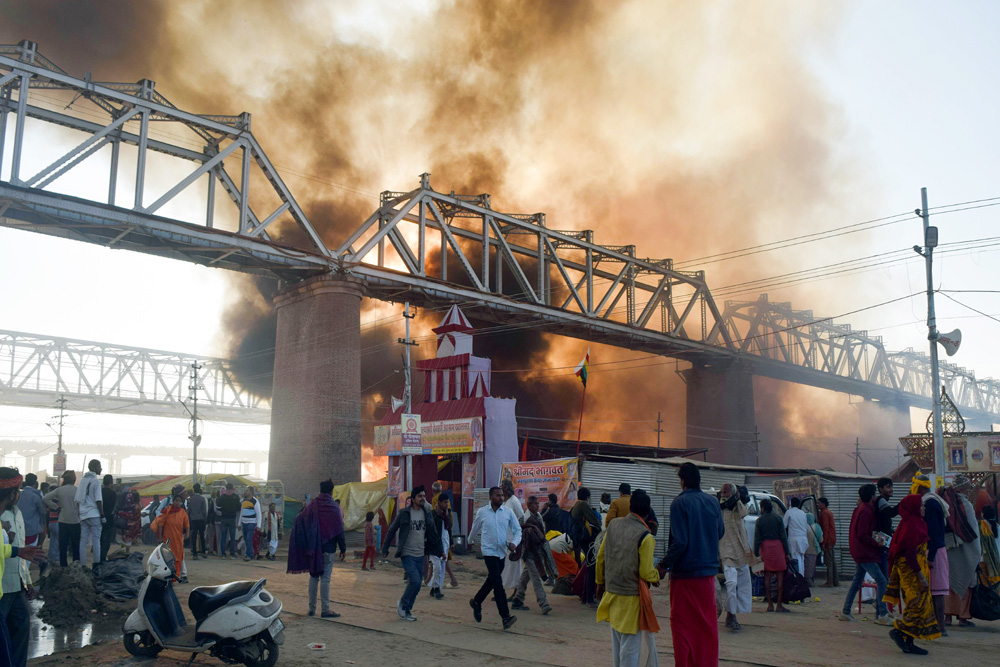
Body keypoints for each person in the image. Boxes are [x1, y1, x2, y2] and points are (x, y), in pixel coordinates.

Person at [656, 462, 724, 667]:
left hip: (685, 577)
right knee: (706, 627)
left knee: (682, 626)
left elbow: (681, 542)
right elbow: (720, 533)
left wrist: (663, 565)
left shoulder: (679, 503)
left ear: (683, 480)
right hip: (707, 576)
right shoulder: (712, 502)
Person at [596, 489, 660, 667]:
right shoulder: (645, 537)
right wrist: (657, 575)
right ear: (647, 513)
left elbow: (601, 558)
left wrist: (600, 583)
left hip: (612, 594)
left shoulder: (613, 526)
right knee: (630, 650)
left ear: (631, 508)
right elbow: (647, 573)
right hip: (632, 599)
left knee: (617, 646)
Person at [882, 494, 939, 655]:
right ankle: (899, 631)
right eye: (921, 505)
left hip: (916, 571)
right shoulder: (912, 525)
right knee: (917, 605)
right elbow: (910, 554)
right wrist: (920, 576)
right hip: (912, 574)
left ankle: (909, 642)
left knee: (917, 604)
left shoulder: (914, 523)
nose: (924, 508)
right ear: (913, 507)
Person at [0, 468, 42, 666]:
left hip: (17, 584)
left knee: (20, 631)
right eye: (18, 491)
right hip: (2, 587)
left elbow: (21, 551)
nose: (19, 495)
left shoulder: (17, 514)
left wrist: (27, 580)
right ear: (11, 494)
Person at [382, 486, 441, 622]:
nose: (422, 499)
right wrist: (385, 547)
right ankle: (402, 604)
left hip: (421, 554)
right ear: (413, 499)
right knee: (414, 580)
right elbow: (392, 530)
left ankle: (407, 610)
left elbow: (432, 531)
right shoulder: (404, 513)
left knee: (417, 584)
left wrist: (440, 550)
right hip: (407, 553)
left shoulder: (426, 513)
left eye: (424, 496)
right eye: (420, 496)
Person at [287, 479, 343, 618]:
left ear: (320, 490)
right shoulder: (334, 508)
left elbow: (299, 519)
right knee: (325, 579)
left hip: (313, 548)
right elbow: (340, 530)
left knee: (313, 578)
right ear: (331, 491)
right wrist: (343, 548)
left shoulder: (312, 505)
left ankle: (311, 609)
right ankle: (325, 610)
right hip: (329, 548)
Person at [468, 486, 521, 630]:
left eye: (502, 495)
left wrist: (514, 543)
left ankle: (477, 602)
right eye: (498, 495)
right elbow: (475, 528)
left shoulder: (508, 513)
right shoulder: (483, 512)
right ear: (490, 497)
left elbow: (518, 530)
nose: (501, 498)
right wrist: (469, 541)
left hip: (502, 552)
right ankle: (505, 616)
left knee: (491, 581)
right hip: (488, 552)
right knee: (498, 583)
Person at [840, 483, 891, 625]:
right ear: (871, 496)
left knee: (857, 582)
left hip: (859, 551)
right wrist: (877, 543)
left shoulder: (860, 509)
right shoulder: (866, 511)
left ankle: (846, 611)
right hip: (864, 552)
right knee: (881, 581)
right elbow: (863, 534)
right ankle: (882, 613)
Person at [911, 474, 950, 634]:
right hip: (934, 549)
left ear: (919, 488)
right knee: (932, 591)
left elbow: (933, 532)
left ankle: (940, 627)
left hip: (933, 551)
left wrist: (931, 557)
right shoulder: (932, 501)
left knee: (937, 591)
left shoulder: (930, 503)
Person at [943, 475, 980, 627]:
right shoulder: (966, 504)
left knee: (949, 581)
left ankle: (947, 617)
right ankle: (963, 617)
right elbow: (973, 532)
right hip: (965, 550)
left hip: (949, 548)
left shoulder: (945, 503)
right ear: (964, 489)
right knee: (966, 581)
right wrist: (977, 552)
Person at [718, 482, 752, 631]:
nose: (724, 495)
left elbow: (744, 513)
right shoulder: (717, 507)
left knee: (743, 585)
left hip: (741, 550)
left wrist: (737, 500)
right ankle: (731, 615)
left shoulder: (737, 505)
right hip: (726, 551)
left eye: (727, 492)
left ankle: (733, 614)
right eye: (723, 492)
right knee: (731, 583)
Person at [511, 495, 553, 614]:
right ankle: (543, 603)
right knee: (536, 576)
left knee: (526, 576)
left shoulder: (539, 516)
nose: (537, 506)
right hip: (528, 552)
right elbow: (518, 533)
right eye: (534, 504)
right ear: (529, 505)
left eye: (537, 504)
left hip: (537, 551)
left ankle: (518, 599)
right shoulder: (524, 518)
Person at [754, 498, 790, 613]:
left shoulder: (759, 520)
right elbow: (784, 537)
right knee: (780, 578)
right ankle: (779, 605)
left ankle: (769, 605)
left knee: (767, 578)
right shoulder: (778, 519)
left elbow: (757, 540)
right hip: (778, 548)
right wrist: (787, 552)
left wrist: (755, 555)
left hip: (766, 549)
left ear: (763, 508)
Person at [570, 486, 602, 605]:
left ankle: (585, 596)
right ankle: (589, 598)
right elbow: (593, 520)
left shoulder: (576, 505)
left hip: (579, 538)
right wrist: (600, 532)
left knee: (589, 566)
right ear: (587, 497)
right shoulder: (583, 505)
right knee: (591, 567)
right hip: (585, 539)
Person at [151, 493, 190, 583]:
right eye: (176, 500)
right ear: (173, 501)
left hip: (178, 539)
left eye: (179, 501)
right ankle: (169, 575)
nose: (177, 502)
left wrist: (187, 533)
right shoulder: (167, 511)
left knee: (179, 556)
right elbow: (161, 524)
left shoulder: (183, 512)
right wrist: (160, 537)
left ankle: (181, 575)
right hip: (167, 539)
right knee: (168, 557)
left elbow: (187, 524)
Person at [44, 470, 80, 566]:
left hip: (63, 520)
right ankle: (76, 565)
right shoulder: (77, 490)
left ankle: (63, 566)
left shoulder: (60, 490)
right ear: (74, 480)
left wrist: (56, 507)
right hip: (75, 521)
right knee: (76, 545)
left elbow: (45, 498)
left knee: (63, 546)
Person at [75, 459, 104, 568]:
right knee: (96, 540)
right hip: (94, 514)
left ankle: (83, 565)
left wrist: (80, 512)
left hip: (83, 514)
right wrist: (102, 515)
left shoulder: (82, 480)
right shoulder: (96, 481)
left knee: (83, 540)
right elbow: (98, 500)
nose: (101, 468)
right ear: (95, 467)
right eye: (99, 466)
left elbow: (77, 499)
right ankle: (96, 565)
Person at [499, 480, 525, 596]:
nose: (501, 488)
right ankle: (502, 591)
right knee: (505, 567)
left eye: (503, 486)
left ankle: (516, 591)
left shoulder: (514, 501)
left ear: (507, 488)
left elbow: (521, 518)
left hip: (514, 539)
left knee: (515, 567)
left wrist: (518, 538)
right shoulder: (505, 502)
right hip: (505, 540)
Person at [428, 494, 452, 599]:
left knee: (441, 567)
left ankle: (434, 588)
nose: (446, 504)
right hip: (434, 544)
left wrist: (451, 542)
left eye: (447, 502)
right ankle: (437, 589)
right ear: (439, 503)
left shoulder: (448, 514)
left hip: (445, 542)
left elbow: (449, 529)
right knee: (437, 566)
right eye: (445, 502)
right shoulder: (433, 514)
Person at [875, 477, 898, 580]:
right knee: (885, 570)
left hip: (882, 536)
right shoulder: (881, 500)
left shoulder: (882, 501)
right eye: (888, 487)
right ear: (880, 489)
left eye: (891, 487)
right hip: (881, 537)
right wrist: (904, 503)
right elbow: (891, 513)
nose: (891, 489)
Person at [16, 473, 46, 550]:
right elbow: (43, 512)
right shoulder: (36, 496)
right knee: (30, 553)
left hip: (18, 527)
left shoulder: (18, 494)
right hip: (31, 530)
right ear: (35, 483)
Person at [783, 497, 808, 576]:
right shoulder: (803, 513)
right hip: (803, 539)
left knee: (795, 559)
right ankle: (802, 578)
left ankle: (797, 578)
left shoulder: (789, 512)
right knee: (802, 559)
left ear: (791, 504)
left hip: (794, 539)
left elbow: (783, 525)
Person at [817, 497, 838, 587]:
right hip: (831, 539)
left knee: (828, 561)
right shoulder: (827, 512)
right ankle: (835, 581)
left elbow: (825, 529)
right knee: (832, 561)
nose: (817, 505)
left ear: (823, 504)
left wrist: (824, 542)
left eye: (819, 503)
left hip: (828, 540)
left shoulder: (825, 513)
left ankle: (830, 581)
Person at [216, 483, 240, 559]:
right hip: (232, 518)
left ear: (226, 488)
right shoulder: (235, 497)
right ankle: (232, 553)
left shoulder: (222, 497)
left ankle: (223, 554)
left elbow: (218, 507)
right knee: (232, 537)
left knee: (223, 537)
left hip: (224, 518)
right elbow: (239, 508)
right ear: (232, 488)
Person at [240, 486, 262, 561]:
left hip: (251, 522)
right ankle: (248, 552)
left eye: (247, 490)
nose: (245, 492)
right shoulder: (243, 501)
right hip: (244, 522)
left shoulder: (255, 501)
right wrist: (239, 523)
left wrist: (258, 525)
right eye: (245, 490)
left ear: (251, 492)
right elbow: (241, 512)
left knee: (249, 538)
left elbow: (258, 514)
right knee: (246, 538)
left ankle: (249, 554)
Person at [99, 474, 117, 563]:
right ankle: (103, 558)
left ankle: (99, 558)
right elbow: (114, 508)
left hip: (99, 518)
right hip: (109, 520)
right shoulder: (113, 493)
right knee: (106, 542)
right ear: (111, 482)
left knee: (99, 540)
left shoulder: (99, 492)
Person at [187, 483, 207, 560]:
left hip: (193, 520)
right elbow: (204, 511)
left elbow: (188, 510)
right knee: (202, 536)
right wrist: (205, 520)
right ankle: (203, 552)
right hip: (201, 519)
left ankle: (194, 553)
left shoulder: (190, 499)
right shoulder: (202, 499)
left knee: (194, 536)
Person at [804, 512, 821, 586]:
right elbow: (821, 539)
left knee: (805, 566)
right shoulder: (817, 527)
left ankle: (805, 580)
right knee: (812, 566)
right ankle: (810, 580)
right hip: (814, 549)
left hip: (805, 549)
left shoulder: (804, 527)